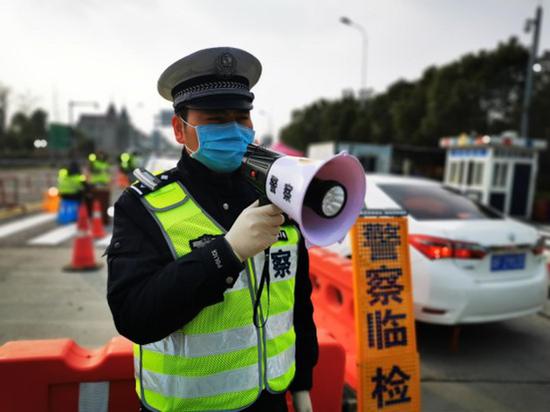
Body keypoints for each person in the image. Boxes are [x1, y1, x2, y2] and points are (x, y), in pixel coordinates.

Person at [106, 47, 318, 412]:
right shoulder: (143, 206)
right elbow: (134, 316)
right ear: (179, 128)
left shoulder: (278, 195)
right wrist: (225, 253)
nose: (234, 130)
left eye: (242, 117)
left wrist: (302, 386)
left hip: (271, 401)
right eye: (216, 119)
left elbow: (296, 302)